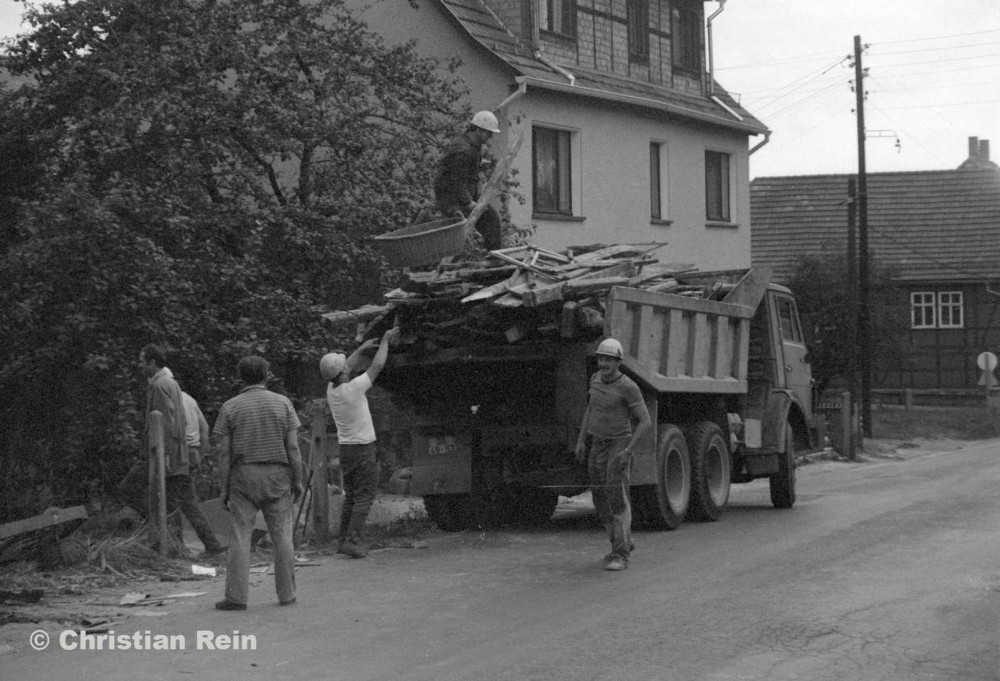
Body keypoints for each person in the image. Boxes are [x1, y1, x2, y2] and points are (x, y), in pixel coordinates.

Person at [213, 356, 304, 611]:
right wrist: (297, 480)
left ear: (240, 377)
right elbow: (294, 447)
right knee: (283, 536)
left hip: (243, 477)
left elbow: (223, 453)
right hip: (277, 476)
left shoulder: (230, 408)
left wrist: (224, 488)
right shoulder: (283, 404)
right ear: (267, 374)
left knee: (241, 536)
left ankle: (236, 597)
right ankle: (287, 594)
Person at [118, 345, 225, 559]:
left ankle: (164, 530)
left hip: (164, 454)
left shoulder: (158, 385)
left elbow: (164, 421)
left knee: (128, 487)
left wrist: (164, 454)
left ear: (152, 362)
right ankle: (205, 545)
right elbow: (181, 419)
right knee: (185, 501)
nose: (139, 365)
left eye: (142, 361)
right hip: (178, 454)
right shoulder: (173, 384)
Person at [320, 326, 401, 558]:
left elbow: (348, 365)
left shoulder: (332, 389)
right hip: (363, 450)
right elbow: (377, 366)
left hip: (347, 450)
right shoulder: (353, 390)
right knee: (365, 495)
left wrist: (362, 348)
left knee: (353, 496)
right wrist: (385, 341)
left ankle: (343, 540)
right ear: (342, 371)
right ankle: (353, 540)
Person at [574, 338, 651, 571]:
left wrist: (629, 450)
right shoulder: (595, 379)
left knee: (616, 497)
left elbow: (645, 421)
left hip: (619, 444)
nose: (604, 363)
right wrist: (581, 441)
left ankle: (621, 554)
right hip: (597, 443)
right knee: (599, 497)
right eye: (601, 358)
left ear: (618, 362)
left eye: (609, 359)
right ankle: (621, 540)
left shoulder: (628, 387)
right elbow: (591, 409)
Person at [433, 110, 503, 251]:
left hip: (458, 196)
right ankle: (495, 258)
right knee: (488, 221)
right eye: (488, 133)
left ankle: (494, 256)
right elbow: (457, 181)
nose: (490, 137)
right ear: (478, 130)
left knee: (490, 220)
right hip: (452, 200)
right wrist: (468, 202)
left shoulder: (471, 146)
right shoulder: (463, 151)